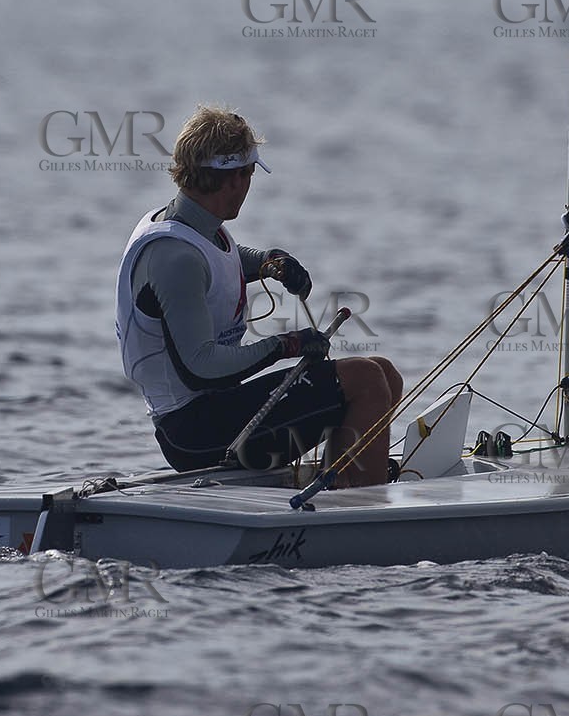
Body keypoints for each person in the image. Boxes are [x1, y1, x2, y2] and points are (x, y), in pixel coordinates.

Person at [114, 104, 403, 488]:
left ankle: (343, 485)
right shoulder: (175, 259)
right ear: (236, 178)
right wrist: (288, 344)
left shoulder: (186, 225)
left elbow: (222, 259)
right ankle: (362, 510)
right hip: (195, 433)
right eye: (249, 174)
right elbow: (200, 368)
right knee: (364, 380)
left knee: (385, 373)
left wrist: (268, 262)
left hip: (215, 415)